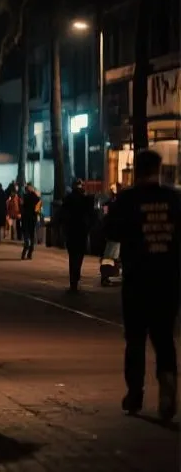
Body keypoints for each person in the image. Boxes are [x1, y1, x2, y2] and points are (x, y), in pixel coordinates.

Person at [103, 150, 180, 420]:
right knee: (164, 337)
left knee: (135, 339)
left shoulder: (127, 200)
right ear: (159, 169)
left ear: (137, 170)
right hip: (169, 279)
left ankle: (135, 393)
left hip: (137, 278)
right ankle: (168, 381)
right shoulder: (175, 199)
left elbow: (110, 232)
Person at [61, 179, 94, 292]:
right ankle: (77, 276)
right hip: (82, 231)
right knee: (79, 256)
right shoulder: (86, 199)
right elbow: (91, 215)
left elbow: (62, 214)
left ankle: (73, 281)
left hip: (71, 231)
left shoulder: (68, 199)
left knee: (72, 256)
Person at [20, 185, 41, 259]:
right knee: (32, 235)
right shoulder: (37, 199)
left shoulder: (24, 197)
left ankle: (24, 251)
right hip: (32, 219)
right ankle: (30, 254)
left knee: (26, 235)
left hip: (25, 218)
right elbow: (38, 210)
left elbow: (21, 207)